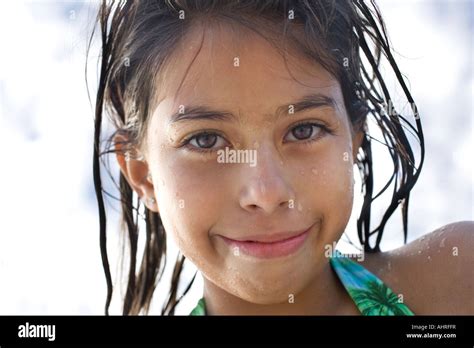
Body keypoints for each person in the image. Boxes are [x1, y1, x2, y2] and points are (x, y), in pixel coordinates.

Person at [90, 0, 473, 315]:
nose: (267, 191)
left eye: (303, 130)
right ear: (143, 174)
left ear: (353, 142)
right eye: (206, 140)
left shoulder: (455, 284)